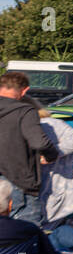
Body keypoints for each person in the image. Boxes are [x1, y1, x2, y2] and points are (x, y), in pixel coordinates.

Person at [27, 97, 73, 252]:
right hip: (47, 191)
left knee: (54, 235)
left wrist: (51, 153)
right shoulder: (26, 127)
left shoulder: (50, 124)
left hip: (61, 188)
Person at [0, 71, 58, 226]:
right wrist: (52, 155)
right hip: (18, 178)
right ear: (24, 90)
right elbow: (39, 142)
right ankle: (21, 252)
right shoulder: (24, 111)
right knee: (24, 230)